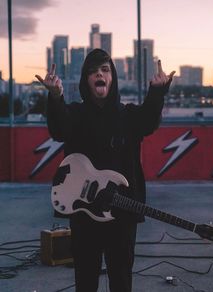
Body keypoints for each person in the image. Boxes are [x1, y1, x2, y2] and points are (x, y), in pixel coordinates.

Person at [35, 48, 175, 292]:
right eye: (92, 71)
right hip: (84, 213)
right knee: (86, 279)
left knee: (121, 279)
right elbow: (59, 130)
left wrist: (157, 92)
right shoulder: (75, 115)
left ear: (112, 78)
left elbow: (149, 121)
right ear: (85, 80)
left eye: (104, 69)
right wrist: (56, 97)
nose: (99, 74)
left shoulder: (128, 116)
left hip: (122, 213)